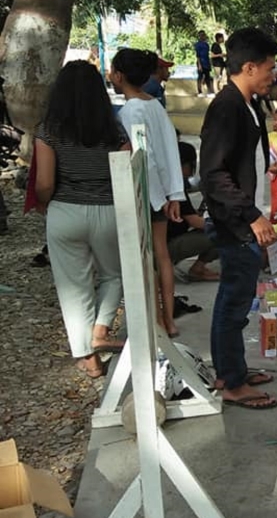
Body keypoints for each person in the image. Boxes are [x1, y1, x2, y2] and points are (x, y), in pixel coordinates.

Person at [200, 27, 277, 410]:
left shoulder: (249, 104)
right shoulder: (227, 106)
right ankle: (231, 382)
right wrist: (252, 215)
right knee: (233, 303)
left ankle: (232, 369)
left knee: (237, 301)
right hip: (236, 223)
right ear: (249, 67)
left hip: (246, 217)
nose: (274, 75)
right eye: (270, 68)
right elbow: (213, 175)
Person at [33, 61, 128, 378]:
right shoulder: (113, 130)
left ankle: (88, 359)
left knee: (73, 287)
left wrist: (48, 205)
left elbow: (44, 183)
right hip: (109, 209)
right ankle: (101, 330)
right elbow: (127, 171)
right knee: (114, 275)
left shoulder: (48, 130)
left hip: (64, 211)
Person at [111, 48, 185, 338]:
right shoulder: (155, 104)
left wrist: (154, 194)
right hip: (164, 192)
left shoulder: (129, 111)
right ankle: (169, 319)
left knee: (147, 257)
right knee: (162, 254)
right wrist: (174, 193)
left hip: (145, 190)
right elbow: (169, 149)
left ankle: (156, 320)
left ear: (119, 75)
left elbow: (144, 156)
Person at [169, 142, 220, 282]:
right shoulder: (175, 188)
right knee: (222, 233)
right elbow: (195, 221)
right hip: (168, 245)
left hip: (167, 241)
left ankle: (198, 268)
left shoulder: (171, 181)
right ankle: (198, 268)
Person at [194, 30, 214, 97]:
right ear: (199, 36)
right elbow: (198, 55)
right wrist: (199, 65)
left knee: (207, 76)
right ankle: (199, 91)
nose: (203, 36)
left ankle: (209, 91)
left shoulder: (206, 45)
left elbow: (207, 54)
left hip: (206, 62)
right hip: (201, 62)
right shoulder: (197, 45)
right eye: (201, 35)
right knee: (200, 76)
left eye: (204, 35)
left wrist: (210, 63)